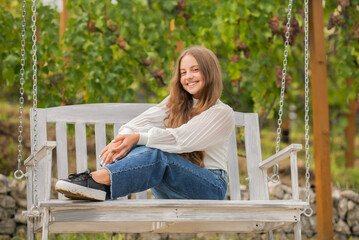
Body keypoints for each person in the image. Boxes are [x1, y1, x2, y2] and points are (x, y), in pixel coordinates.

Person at [55, 46, 235, 201]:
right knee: (138, 146)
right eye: (183, 72)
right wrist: (122, 141)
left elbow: (181, 140)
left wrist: (137, 138)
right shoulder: (176, 103)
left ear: (209, 72)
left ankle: (97, 180)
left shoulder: (221, 113)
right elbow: (137, 124)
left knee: (158, 154)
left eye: (195, 70)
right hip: (174, 185)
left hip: (210, 187)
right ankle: (99, 186)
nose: (188, 77)